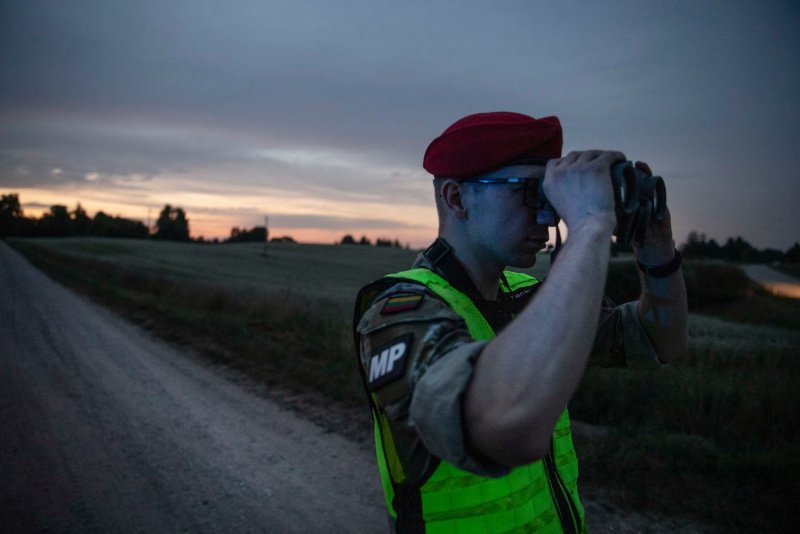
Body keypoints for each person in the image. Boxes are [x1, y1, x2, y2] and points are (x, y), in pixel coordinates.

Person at [353, 111, 688, 533]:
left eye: (551, 197)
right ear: (457, 199)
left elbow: (660, 342)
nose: (548, 217)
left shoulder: (527, 295)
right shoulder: (399, 310)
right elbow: (505, 426)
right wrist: (588, 226)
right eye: (531, 193)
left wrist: (656, 251)